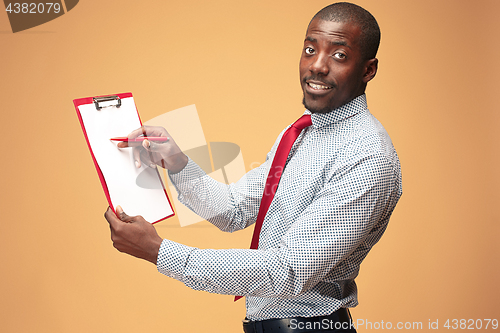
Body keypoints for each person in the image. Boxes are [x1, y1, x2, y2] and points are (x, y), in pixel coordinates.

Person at [104, 2, 402, 332]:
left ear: (368, 70)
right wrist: (176, 161)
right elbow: (235, 209)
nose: (317, 66)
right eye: (310, 49)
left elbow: (288, 269)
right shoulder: (300, 133)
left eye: (339, 55)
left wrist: (160, 252)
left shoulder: (368, 158)